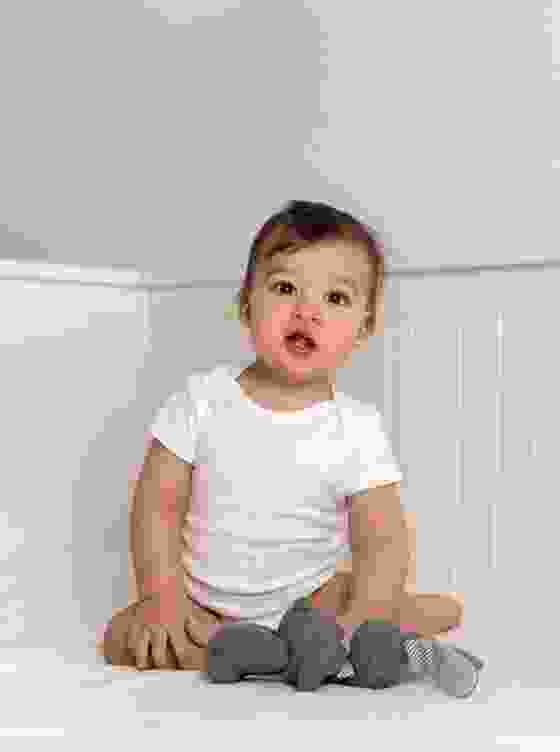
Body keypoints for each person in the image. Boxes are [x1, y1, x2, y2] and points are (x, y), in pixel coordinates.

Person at [103, 200, 463, 672]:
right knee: (121, 639)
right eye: (286, 288)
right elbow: (156, 508)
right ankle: (277, 656)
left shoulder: (356, 427)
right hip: (205, 607)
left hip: (312, 604)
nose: (307, 312)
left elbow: (382, 540)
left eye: (335, 298)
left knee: (369, 597)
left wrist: (360, 619)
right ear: (246, 304)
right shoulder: (201, 400)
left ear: (364, 329)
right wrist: (162, 599)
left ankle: (335, 637)